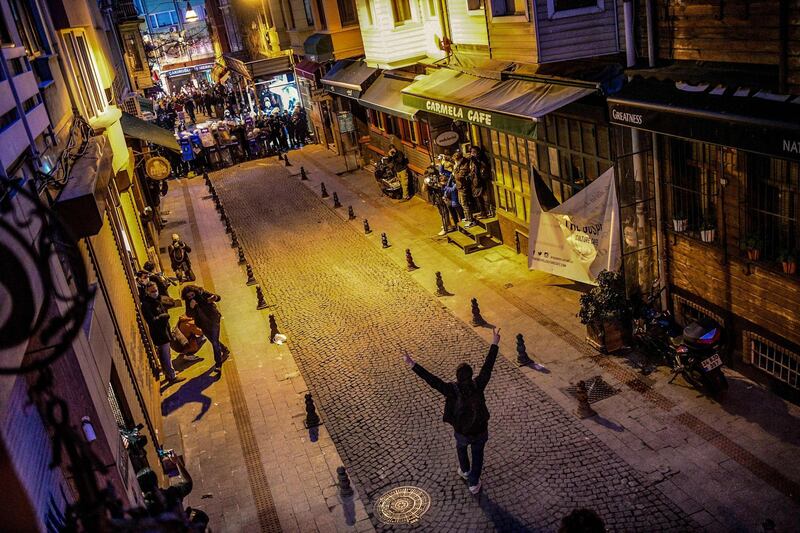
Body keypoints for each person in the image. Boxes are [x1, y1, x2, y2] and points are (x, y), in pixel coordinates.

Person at [403, 327, 501, 495]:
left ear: (457, 376)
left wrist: (413, 364)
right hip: (480, 429)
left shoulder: (451, 390)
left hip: (462, 431)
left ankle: (464, 470)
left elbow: (432, 380)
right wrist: (494, 343)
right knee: (478, 455)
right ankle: (473, 483)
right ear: (471, 375)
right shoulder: (479, 384)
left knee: (461, 448)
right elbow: (488, 366)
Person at [141, 282, 184, 385]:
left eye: (156, 290)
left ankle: (169, 373)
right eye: (152, 291)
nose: (155, 292)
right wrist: (162, 317)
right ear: (147, 291)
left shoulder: (156, 300)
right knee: (165, 355)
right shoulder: (147, 305)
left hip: (164, 332)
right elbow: (151, 320)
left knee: (166, 354)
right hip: (159, 334)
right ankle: (172, 376)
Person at [181, 284, 230, 373]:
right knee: (213, 340)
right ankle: (225, 350)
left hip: (213, 320)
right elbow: (189, 314)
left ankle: (218, 365)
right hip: (202, 324)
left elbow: (218, 297)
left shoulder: (202, 293)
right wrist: (191, 308)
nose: (191, 297)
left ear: (195, 292)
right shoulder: (189, 302)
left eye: (192, 295)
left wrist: (214, 298)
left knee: (214, 343)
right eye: (189, 296)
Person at [469, 146, 490, 218]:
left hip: (480, 181)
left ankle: (486, 212)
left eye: (474, 152)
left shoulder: (480, 159)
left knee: (483, 197)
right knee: (478, 197)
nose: (472, 154)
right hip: (475, 181)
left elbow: (480, 168)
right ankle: (482, 212)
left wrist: (474, 160)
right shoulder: (472, 160)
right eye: (471, 152)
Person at [453, 151, 473, 226]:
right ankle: (467, 218)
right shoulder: (460, 163)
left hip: (463, 186)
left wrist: (455, 170)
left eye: (456, 160)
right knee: (461, 202)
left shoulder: (464, 165)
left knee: (465, 204)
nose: (455, 161)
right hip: (459, 187)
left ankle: (470, 220)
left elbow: (459, 177)